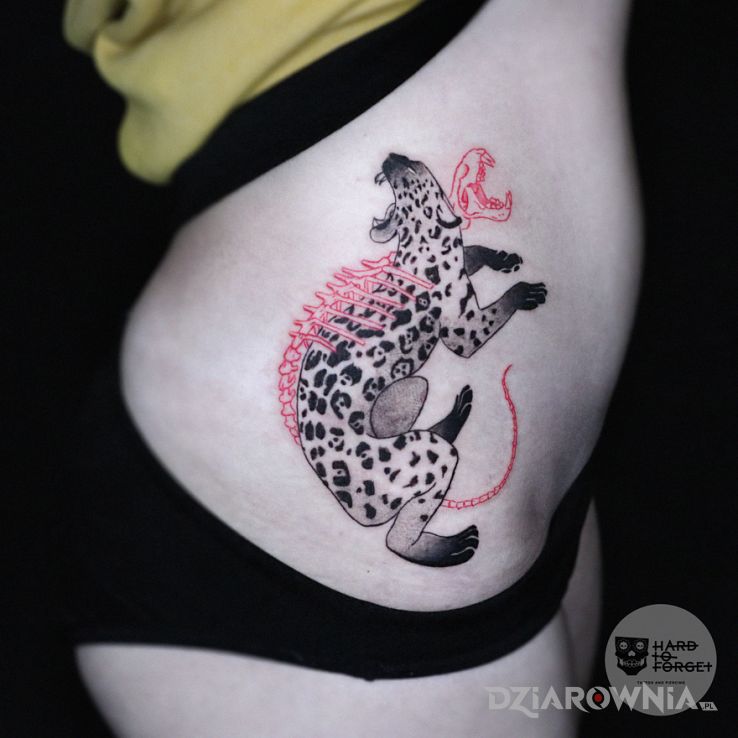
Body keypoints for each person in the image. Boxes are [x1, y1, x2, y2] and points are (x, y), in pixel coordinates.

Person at [63, 0, 640, 735]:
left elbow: (447, 301)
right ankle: (408, 531)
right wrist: (509, 297)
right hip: (298, 541)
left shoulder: (432, 251)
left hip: (555, 485)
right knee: (430, 460)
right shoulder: (428, 255)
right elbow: (463, 336)